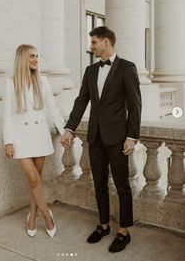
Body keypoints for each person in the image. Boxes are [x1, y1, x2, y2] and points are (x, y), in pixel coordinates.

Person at [61, 26, 141, 252]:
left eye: (94, 42)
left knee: (122, 185)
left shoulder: (127, 68)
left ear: (106, 42)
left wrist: (132, 136)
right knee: (99, 183)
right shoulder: (90, 70)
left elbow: (135, 105)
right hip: (95, 137)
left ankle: (124, 231)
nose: (92, 47)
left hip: (118, 138)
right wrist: (69, 129)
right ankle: (103, 225)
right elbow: (81, 102)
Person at [3, 44, 65, 238]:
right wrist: (8, 141)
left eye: (37, 56)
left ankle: (32, 215)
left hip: (39, 135)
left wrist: (64, 131)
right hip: (21, 139)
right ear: (22, 58)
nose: (36, 59)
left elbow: (53, 108)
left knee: (36, 180)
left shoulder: (42, 81)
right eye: (31, 56)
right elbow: (7, 115)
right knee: (33, 178)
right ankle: (47, 216)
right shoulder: (10, 83)